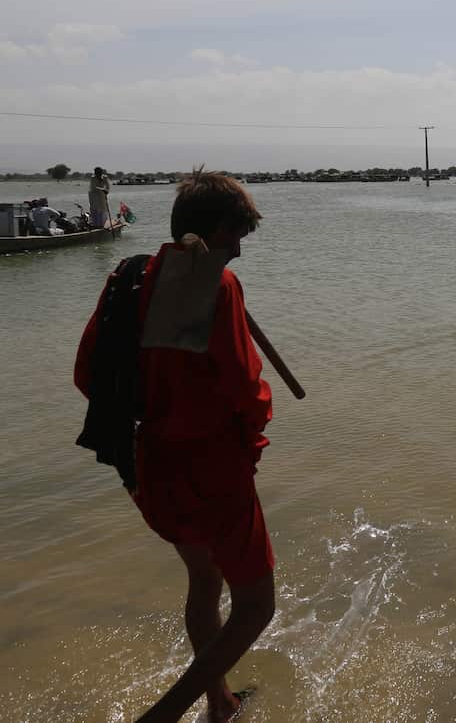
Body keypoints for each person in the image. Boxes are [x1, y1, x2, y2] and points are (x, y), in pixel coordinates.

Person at [74, 169, 275, 723]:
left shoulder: (130, 275)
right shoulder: (217, 283)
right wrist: (250, 445)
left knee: (205, 578)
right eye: (235, 238)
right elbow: (244, 388)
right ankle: (163, 716)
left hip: (146, 466)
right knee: (257, 606)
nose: (236, 252)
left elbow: (87, 375)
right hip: (211, 468)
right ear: (214, 230)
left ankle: (221, 704)